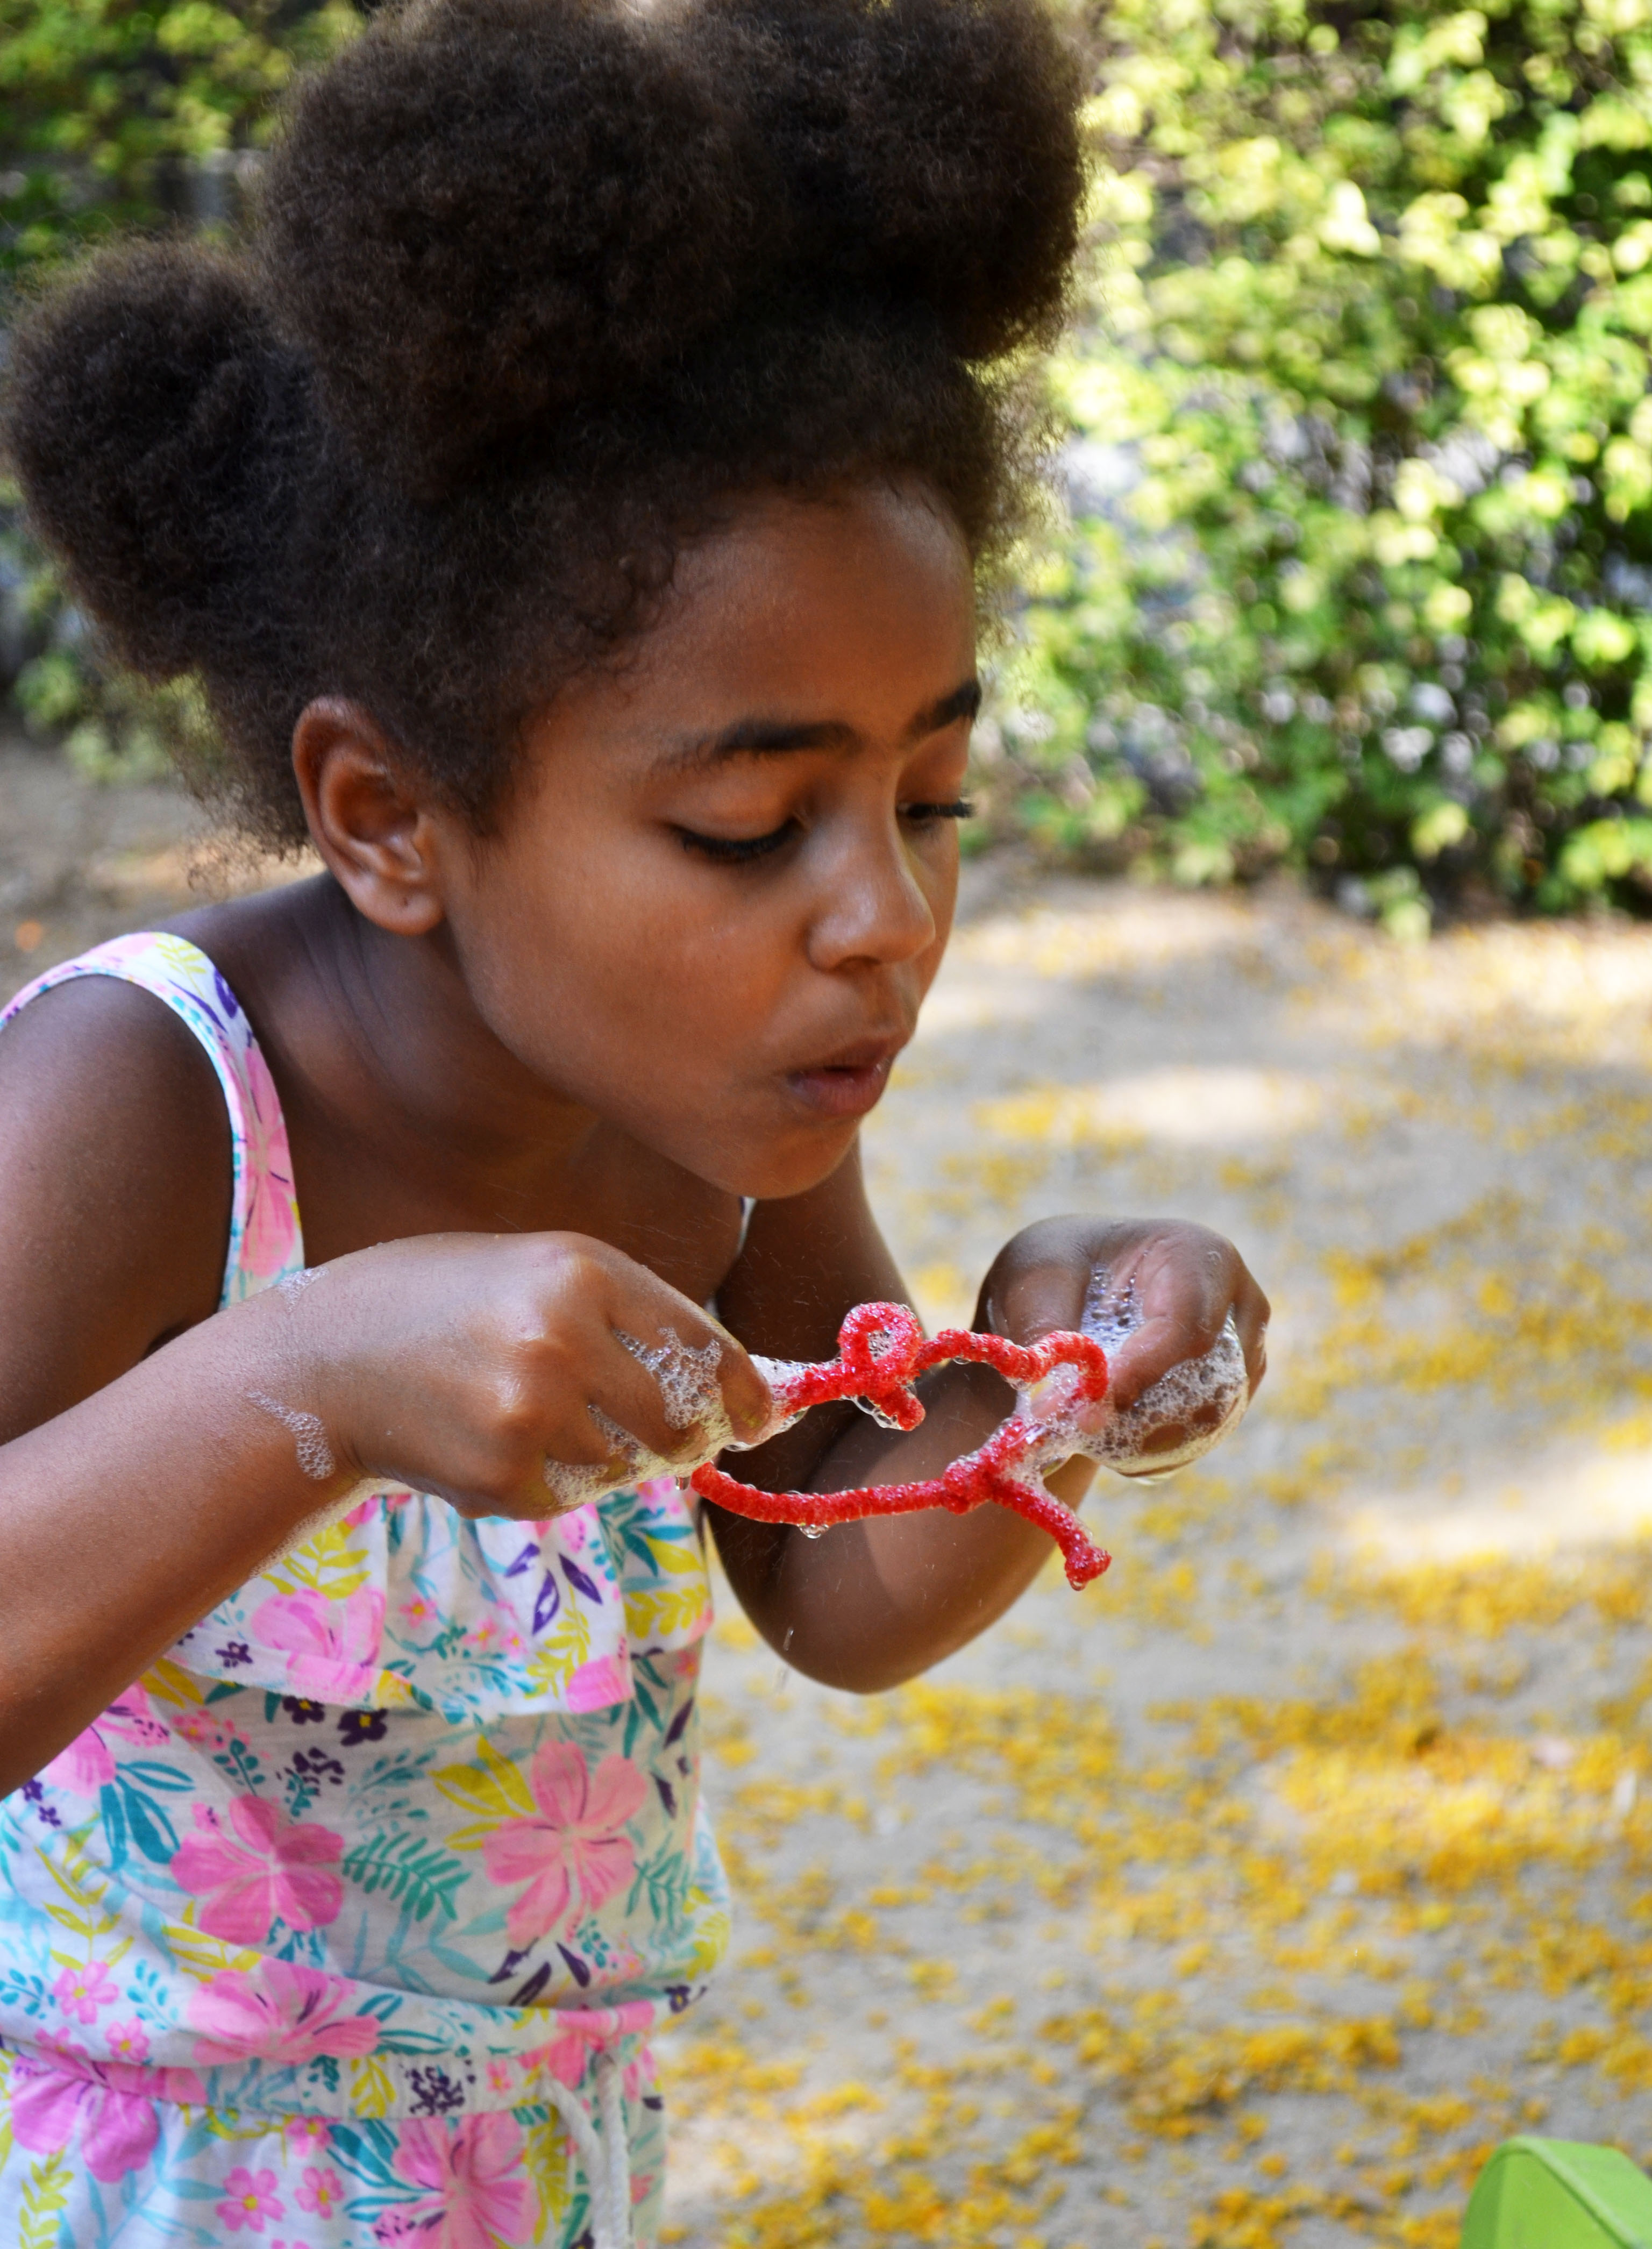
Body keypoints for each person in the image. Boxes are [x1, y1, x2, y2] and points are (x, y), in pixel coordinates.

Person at [0, 0, 1270, 2239]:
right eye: (751, 826)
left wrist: (1051, 1379)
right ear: (387, 813)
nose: (884, 918)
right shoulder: (146, 1102)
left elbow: (834, 1578)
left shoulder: (708, 1114)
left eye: (933, 798)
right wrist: (303, 1378)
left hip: (540, 2171)